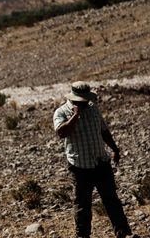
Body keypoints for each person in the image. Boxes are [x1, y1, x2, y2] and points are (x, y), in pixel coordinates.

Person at [53, 82, 138, 238]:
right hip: (80, 166)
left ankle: (123, 233)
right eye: (81, 100)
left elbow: (103, 130)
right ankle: (83, 236)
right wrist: (75, 116)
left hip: (101, 163)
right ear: (74, 99)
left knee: (112, 200)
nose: (85, 103)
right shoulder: (61, 112)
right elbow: (61, 132)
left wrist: (115, 149)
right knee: (82, 206)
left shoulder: (93, 109)